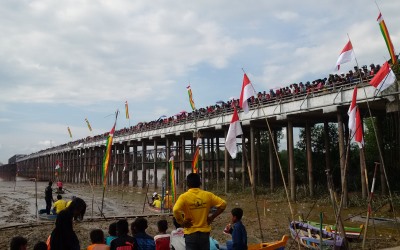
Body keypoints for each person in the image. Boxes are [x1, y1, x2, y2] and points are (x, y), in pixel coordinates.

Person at [173, 173, 227, 250]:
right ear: (200, 183)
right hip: (204, 233)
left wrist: (182, 222)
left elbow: (175, 210)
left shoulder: (183, 197)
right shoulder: (208, 195)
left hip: (190, 232)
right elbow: (223, 204)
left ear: (188, 184)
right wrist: (212, 217)